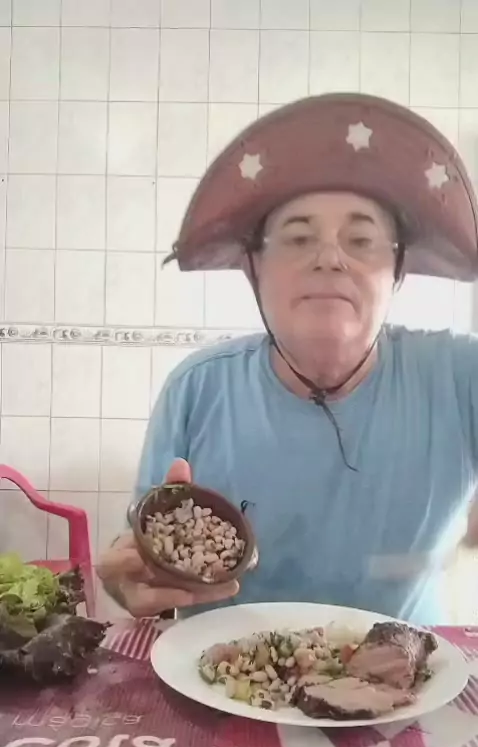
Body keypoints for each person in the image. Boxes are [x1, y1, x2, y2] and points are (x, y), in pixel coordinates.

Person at [97, 93, 478, 625]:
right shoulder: (197, 388)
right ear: (254, 269)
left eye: (361, 239)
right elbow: (144, 560)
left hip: (405, 666)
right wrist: (128, 581)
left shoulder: (459, 377)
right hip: (222, 665)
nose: (329, 258)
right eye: (298, 238)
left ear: (397, 272)